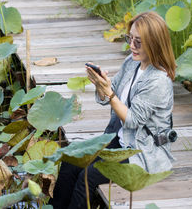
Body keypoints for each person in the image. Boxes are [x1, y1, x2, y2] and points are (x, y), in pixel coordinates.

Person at [49, 11, 176, 209]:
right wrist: (102, 84)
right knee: (70, 160)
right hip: (118, 141)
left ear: (154, 43)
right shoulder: (131, 63)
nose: (131, 46)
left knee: (88, 177)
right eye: (130, 38)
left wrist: (109, 93)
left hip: (142, 151)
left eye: (138, 42)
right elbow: (110, 93)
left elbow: (132, 119)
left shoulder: (158, 81)